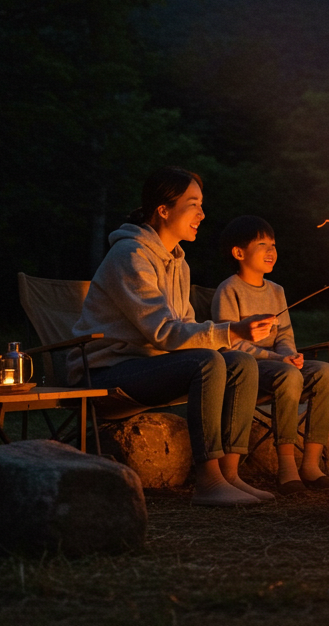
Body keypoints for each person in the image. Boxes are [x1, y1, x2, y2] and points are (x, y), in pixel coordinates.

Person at [73, 166, 278, 507]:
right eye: (193, 203)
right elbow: (165, 333)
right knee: (208, 360)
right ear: (163, 209)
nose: (201, 213)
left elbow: (184, 327)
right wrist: (232, 330)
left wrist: (234, 338)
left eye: (201, 204)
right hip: (106, 372)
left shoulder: (178, 263)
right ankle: (208, 480)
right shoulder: (130, 255)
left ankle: (230, 474)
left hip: (152, 367)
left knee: (240, 361)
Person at [212, 215, 329, 494]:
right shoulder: (228, 290)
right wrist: (278, 361)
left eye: (273, 244)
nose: (272, 251)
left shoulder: (277, 291)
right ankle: (287, 469)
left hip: (281, 364)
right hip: (250, 370)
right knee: (288, 375)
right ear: (239, 252)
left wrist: (290, 355)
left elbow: (284, 336)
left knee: (326, 372)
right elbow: (230, 344)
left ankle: (310, 466)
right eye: (263, 244)